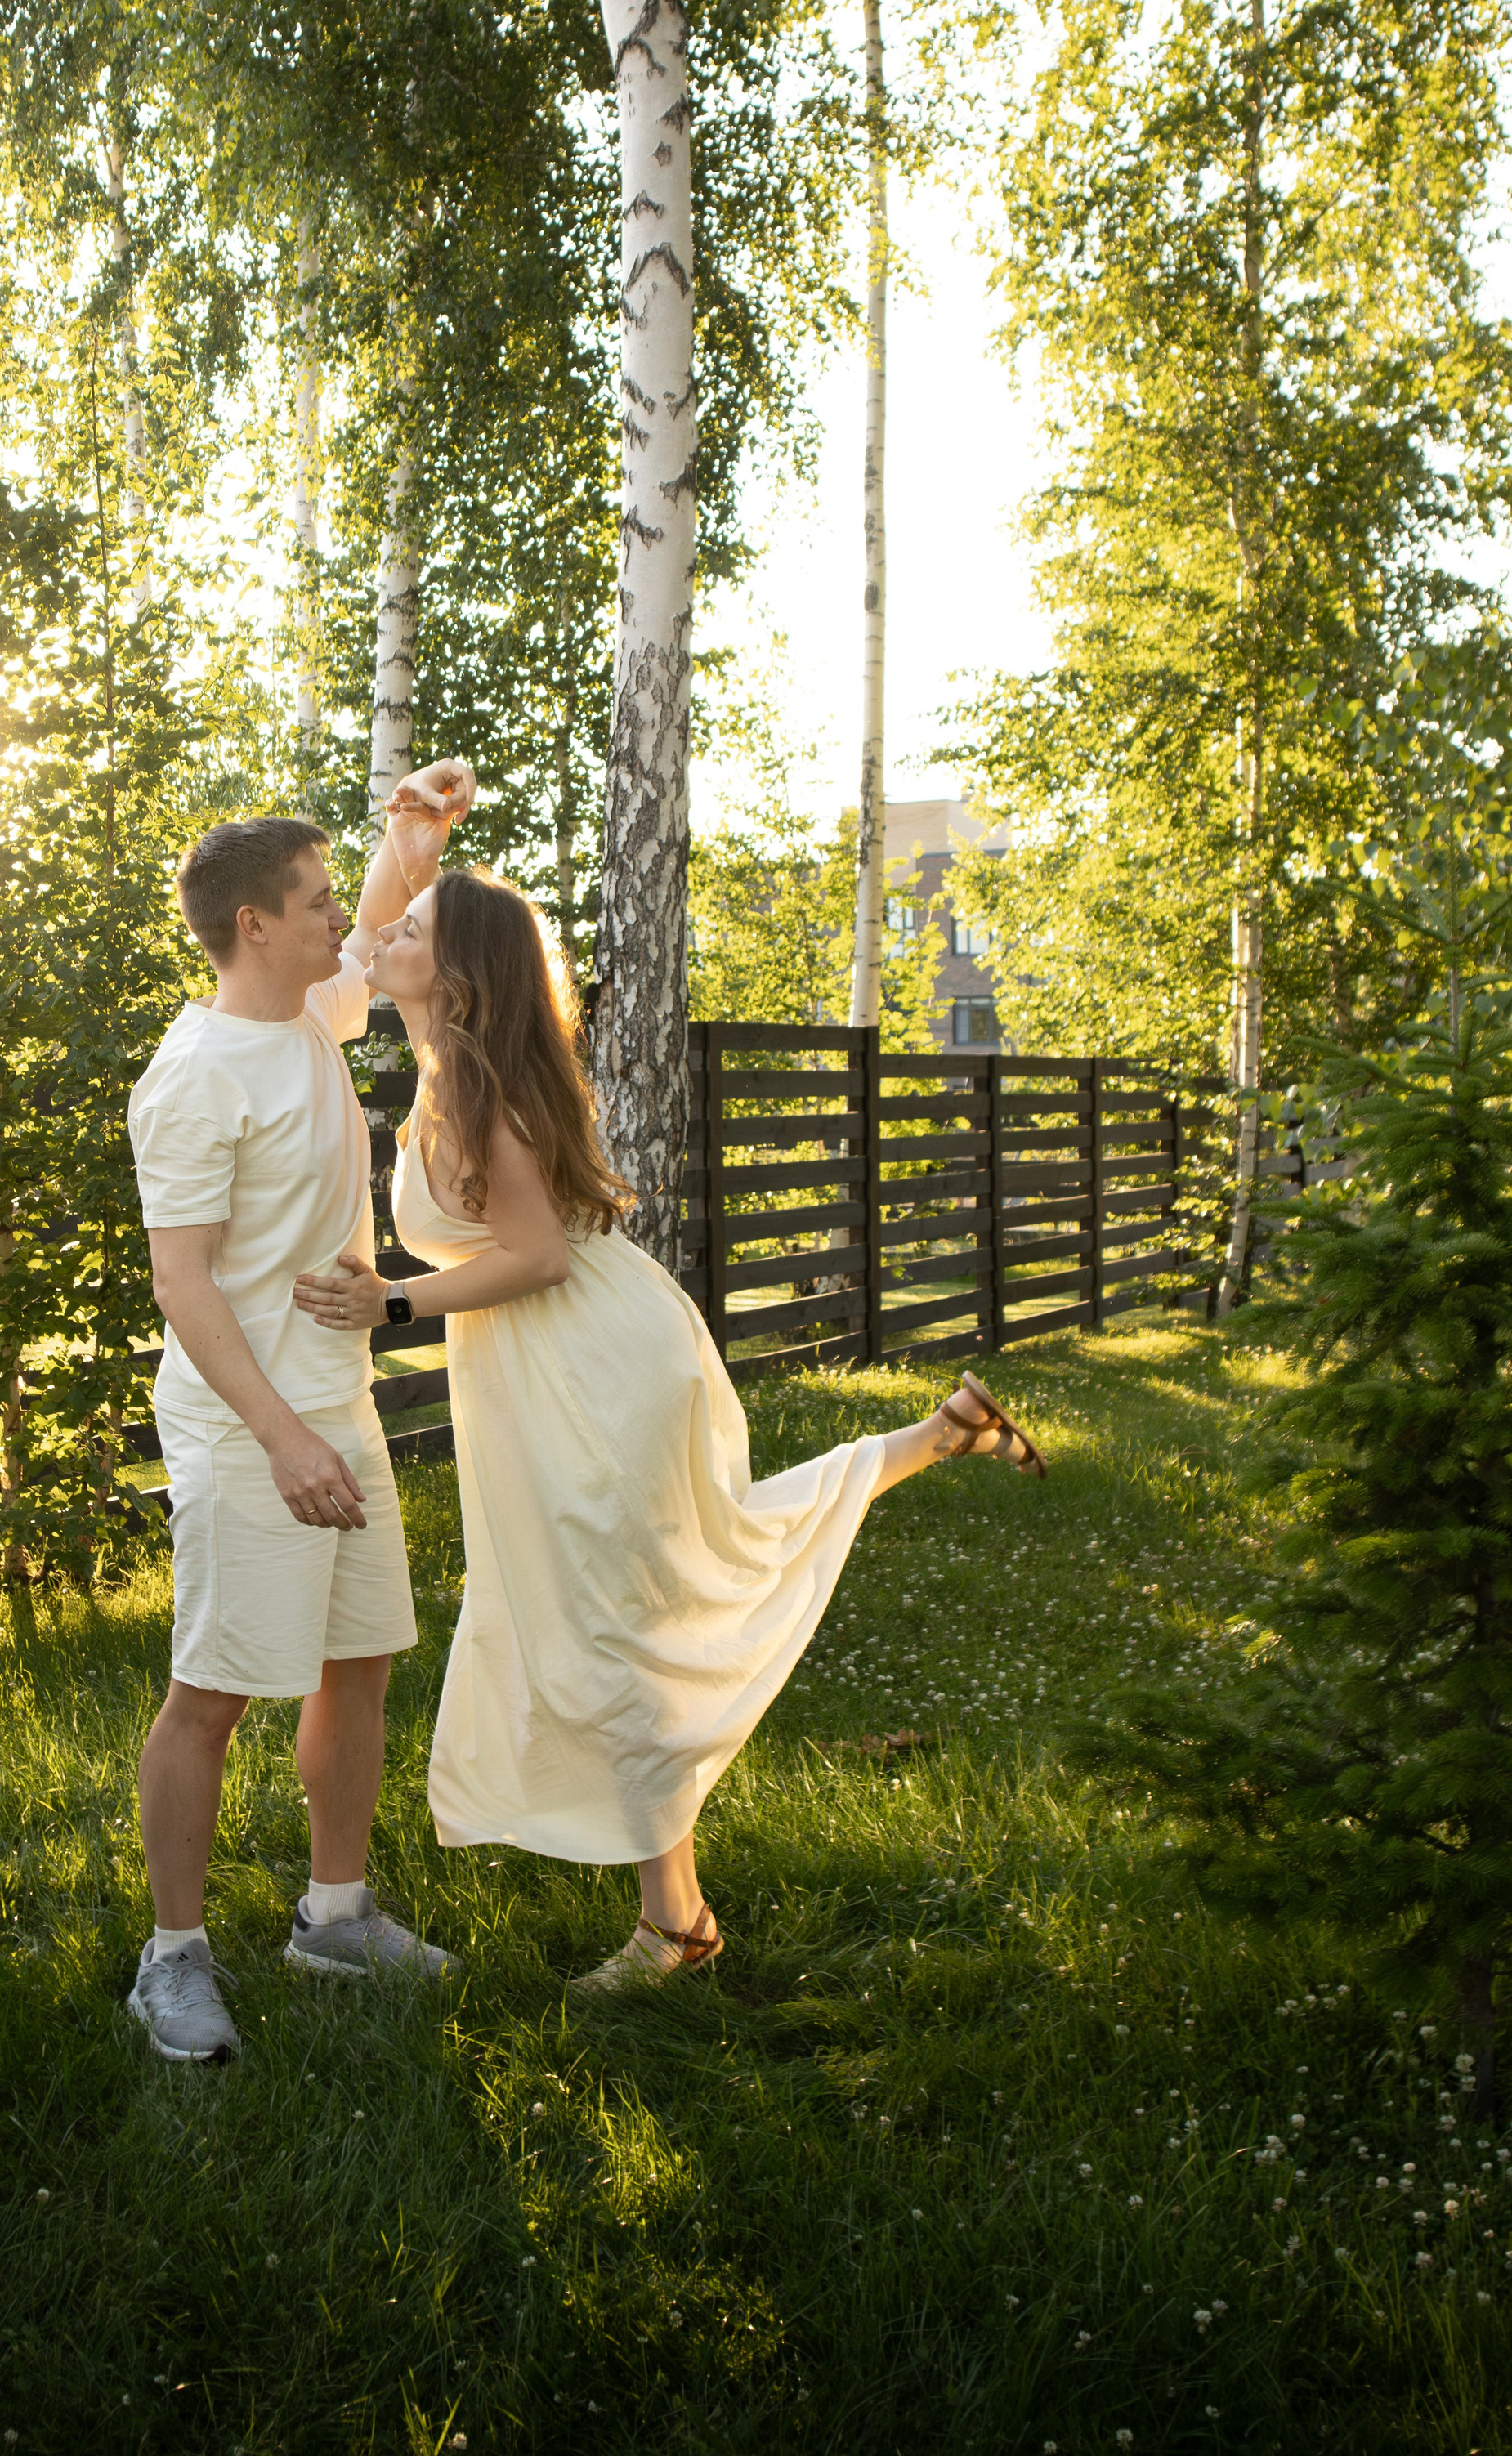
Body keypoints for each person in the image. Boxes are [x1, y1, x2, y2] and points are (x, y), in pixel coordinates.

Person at [293, 790, 1047, 1989]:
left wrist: (388, 1302)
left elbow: (535, 1256)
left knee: (623, 1618)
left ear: (461, 978)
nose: (378, 938)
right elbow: (362, 943)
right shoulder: (447, 1052)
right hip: (543, 1361)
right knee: (641, 1595)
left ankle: (674, 1927)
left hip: (589, 1357)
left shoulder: (485, 1091)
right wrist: (407, 851)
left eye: (411, 930)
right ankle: (933, 1436)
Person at [123, 784, 472, 2064]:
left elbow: (376, 928)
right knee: (209, 1696)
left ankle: (335, 1916)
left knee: (360, 1662)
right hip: (247, 1428)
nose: (344, 918)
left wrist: (407, 841)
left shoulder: (310, 1013)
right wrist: (282, 1437)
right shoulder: (192, 1077)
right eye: (318, 902)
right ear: (256, 924)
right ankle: (172, 1960)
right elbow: (182, 1284)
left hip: (339, 1408)